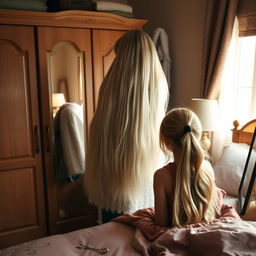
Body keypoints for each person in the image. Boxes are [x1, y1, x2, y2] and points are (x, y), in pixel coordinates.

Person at [84, 30, 169, 223]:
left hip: (110, 176)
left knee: (110, 238)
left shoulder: (109, 84)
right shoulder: (157, 84)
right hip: (143, 175)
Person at [153, 108, 220, 227]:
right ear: (197, 135)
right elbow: (214, 210)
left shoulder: (161, 176)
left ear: (166, 141)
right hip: (208, 232)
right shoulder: (207, 167)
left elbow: (161, 223)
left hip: (176, 237)